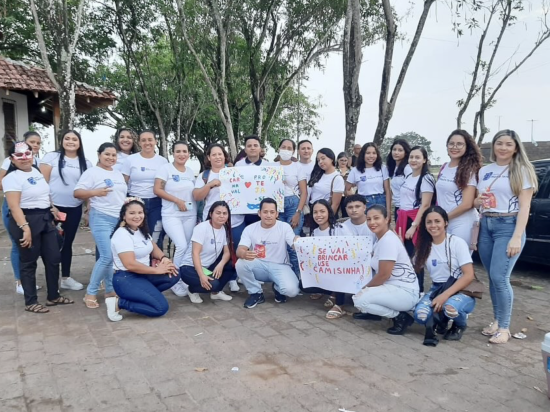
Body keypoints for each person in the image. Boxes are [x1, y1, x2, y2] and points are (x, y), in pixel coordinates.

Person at [474, 130, 537, 344]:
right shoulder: (484, 171)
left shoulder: (522, 170)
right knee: (492, 276)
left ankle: (504, 327)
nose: (503, 148)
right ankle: (496, 319)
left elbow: (525, 206)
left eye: (508, 144)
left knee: (500, 278)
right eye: (499, 143)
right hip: (486, 224)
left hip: (508, 226)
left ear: (516, 147)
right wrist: (478, 201)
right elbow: (476, 201)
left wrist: (517, 236)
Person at [2, 142, 74, 313]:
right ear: (12, 159)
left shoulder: (37, 171)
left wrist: (53, 208)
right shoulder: (11, 178)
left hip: (45, 218)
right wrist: (25, 228)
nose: (24, 158)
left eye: (27, 153)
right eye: (19, 155)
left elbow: (45, 194)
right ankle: (31, 301)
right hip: (25, 220)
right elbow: (14, 206)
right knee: (28, 261)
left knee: (53, 258)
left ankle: (53, 296)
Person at [107, 198, 179, 322]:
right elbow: (130, 264)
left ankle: (145, 295)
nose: (137, 216)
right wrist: (157, 270)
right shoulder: (122, 234)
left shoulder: (140, 230)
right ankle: (119, 303)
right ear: (124, 216)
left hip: (143, 275)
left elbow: (153, 247)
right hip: (126, 278)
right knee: (160, 308)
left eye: (140, 212)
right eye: (132, 213)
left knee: (174, 273)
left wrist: (164, 258)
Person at [74, 143, 128, 309]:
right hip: (101, 218)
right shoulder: (91, 173)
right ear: (99, 155)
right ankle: (90, 293)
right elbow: (77, 193)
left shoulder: (118, 173)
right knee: (106, 256)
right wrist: (95, 193)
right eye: (107, 154)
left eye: (114, 155)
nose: (111, 158)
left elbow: (119, 196)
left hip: (118, 219)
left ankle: (110, 290)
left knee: (113, 256)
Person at [412, 206, 476, 346]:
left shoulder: (457, 242)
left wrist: (444, 296)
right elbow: (412, 269)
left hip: (461, 288)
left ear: (445, 222)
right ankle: (442, 320)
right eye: (429, 222)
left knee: (450, 308)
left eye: (437, 221)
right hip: (437, 287)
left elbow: (469, 275)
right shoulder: (423, 245)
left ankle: (459, 324)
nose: (433, 225)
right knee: (421, 316)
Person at [352, 205, 419, 335]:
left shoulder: (388, 241)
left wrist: (364, 289)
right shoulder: (381, 238)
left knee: (360, 300)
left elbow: (384, 275)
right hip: (393, 287)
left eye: (376, 218)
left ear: (387, 219)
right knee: (361, 294)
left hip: (405, 292)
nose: (372, 222)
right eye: (369, 219)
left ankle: (399, 317)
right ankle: (373, 313)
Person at [40, 130, 93, 291]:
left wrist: (87, 208)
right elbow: (42, 183)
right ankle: (52, 280)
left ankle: (65, 278)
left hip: (74, 209)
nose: (71, 141)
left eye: (74, 139)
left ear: (79, 143)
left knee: (67, 243)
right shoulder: (51, 157)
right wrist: (50, 206)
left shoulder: (86, 162)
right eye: (67, 138)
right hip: (52, 208)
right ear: (62, 141)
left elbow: (88, 188)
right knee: (51, 244)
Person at [236, 198, 300, 309]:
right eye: (265, 212)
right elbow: (240, 249)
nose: (268, 215)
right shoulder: (250, 229)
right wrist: (244, 254)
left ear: (277, 214)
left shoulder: (284, 227)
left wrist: (298, 242)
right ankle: (256, 293)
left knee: (292, 291)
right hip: (259, 265)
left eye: (272, 212)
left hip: (280, 266)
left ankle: (278, 288)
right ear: (259, 213)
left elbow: (293, 243)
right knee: (240, 263)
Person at [193, 143, 240, 293]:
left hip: (235, 220)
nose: (217, 157)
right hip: (213, 222)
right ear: (208, 157)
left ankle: (232, 279)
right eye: (214, 154)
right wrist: (210, 185)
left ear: (224, 156)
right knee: (214, 250)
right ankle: (208, 279)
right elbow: (197, 196)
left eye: (220, 154)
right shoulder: (204, 176)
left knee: (233, 251)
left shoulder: (235, 173)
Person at [154, 141, 197, 299]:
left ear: (188, 153)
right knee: (181, 245)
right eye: (178, 151)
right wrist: (177, 201)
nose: (181, 154)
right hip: (171, 215)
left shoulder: (190, 171)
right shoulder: (165, 169)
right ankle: (175, 280)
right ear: (173, 153)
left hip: (189, 215)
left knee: (187, 248)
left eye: (184, 151)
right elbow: (157, 189)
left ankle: (184, 278)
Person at [0, 131, 42, 294]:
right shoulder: (10, 160)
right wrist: (18, 188)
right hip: (14, 206)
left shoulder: (36, 162)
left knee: (30, 245)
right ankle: (20, 282)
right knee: (18, 244)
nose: (35, 145)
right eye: (32, 142)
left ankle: (28, 280)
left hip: (33, 209)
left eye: (38, 143)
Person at [300, 199, 352, 319]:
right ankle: (333, 292)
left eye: (322, 211)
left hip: (342, 269)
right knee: (303, 285)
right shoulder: (315, 233)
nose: (319, 215)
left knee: (338, 274)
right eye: (315, 212)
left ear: (329, 212)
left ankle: (339, 305)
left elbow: (350, 247)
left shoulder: (340, 228)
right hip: (325, 270)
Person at [395, 146, 435, 293]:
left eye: (417, 157)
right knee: (404, 255)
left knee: (416, 257)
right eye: (411, 157)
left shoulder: (426, 179)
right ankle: (407, 288)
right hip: (403, 218)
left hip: (415, 220)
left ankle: (418, 291)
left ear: (424, 160)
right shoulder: (409, 177)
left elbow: (425, 204)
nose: (413, 160)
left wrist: (414, 225)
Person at [179, 201, 236, 302]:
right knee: (214, 284)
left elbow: (227, 252)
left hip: (207, 266)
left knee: (232, 264)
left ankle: (215, 293)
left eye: (224, 213)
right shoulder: (202, 228)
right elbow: (195, 253)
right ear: (211, 214)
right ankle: (192, 290)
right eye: (218, 213)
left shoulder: (224, 228)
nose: (221, 216)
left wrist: (221, 264)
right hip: (189, 267)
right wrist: (201, 275)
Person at [121, 130, 168, 248]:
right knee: (135, 235)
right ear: (139, 143)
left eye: (150, 140)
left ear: (155, 142)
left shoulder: (163, 161)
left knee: (155, 237)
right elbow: (122, 184)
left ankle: (156, 264)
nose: (147, 143)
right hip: (135, 202)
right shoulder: (131, 160)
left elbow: (164, 186)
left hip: (156, 203)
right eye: (143, 140)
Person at [436, 130, 482, 248]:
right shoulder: (444, 167)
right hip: (443, 222)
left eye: (459, 144)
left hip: (462, 223)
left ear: (467, 147)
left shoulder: (469, 170)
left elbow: (467, 204)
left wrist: (444, 218)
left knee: (459, 261)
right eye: (451, 143)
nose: (454, 147)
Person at [275, 139, 307, 275]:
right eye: (283, 147)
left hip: (293, 204)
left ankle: (299, 277)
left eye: (289, 148)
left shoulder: (297, 166)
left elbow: (304, 192)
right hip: (275, 206)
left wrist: (298, 212)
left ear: (293, 151)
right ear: (278, 148)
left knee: (293, 243)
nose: (286, 150)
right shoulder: (271, 166)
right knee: (278, 242)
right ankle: (281, 275)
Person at [235, 135, 270, 226]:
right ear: (245, 150)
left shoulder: (269, 166)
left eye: (255, 145)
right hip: (242, 212)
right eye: (249, 146)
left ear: (260, 149)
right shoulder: (238, 165)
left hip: (263, 212)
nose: (252, 148)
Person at [346, 143, 391, 211]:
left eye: (374, 153)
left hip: (381, 202)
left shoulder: (383, 168)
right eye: (368, 153)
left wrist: (388, 211)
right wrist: (356, 200)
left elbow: (387, 191)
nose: (371, 156)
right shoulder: (355, 170)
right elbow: (347, 189)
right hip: (364, 203)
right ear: (363, 154)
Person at [308, 148, 345, 215]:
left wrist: (328, 220)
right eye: (318, 160)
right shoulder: (317, 175)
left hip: (324, 213)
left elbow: (335, 204)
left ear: (331, 158)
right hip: (312, 210)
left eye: (323, 158)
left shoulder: (337, 178)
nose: (320, 162)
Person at [386, 138, 412, 222]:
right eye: (394, 149)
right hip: (398, 207)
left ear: (406, 152)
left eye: (400, 150)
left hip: (408, 209)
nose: (396, 152)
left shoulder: (408, 168)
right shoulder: (393, 168)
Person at [337, 152, 351, 218]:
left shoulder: (351, 170)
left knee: (346, 213)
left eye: (345, 160)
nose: (343, 162)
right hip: (336, 194)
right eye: (341, 160)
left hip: (347, 195)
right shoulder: (334, 170)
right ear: (338, 160)